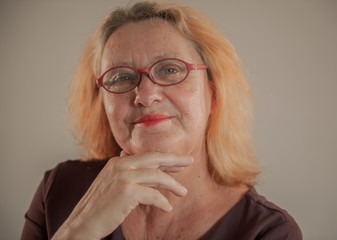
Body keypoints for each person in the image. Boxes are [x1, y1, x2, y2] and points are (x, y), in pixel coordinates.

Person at [21, 1, 302, 239]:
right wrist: (78, 231)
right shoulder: (59, 188)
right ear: (102, 104)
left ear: (214, 95)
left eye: (170, 69)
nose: (145, 95)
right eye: (121, 77)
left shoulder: (268, 231)